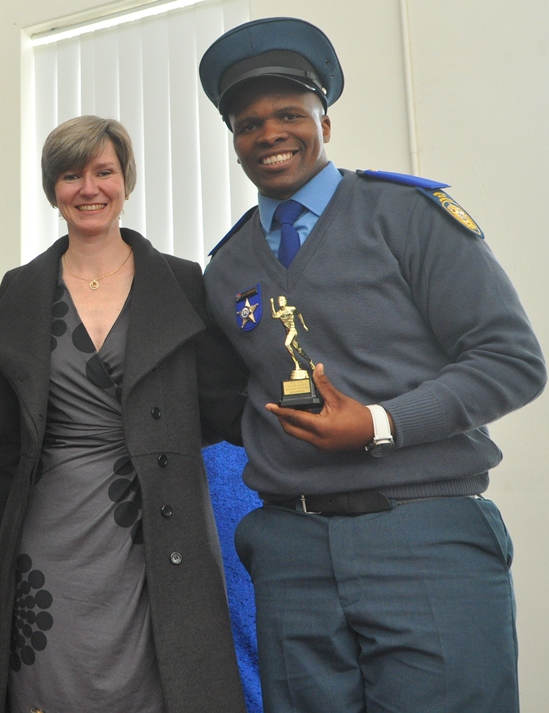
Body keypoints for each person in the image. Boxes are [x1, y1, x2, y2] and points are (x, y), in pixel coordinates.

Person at [198, 17, 546, 712]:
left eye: (289, 114)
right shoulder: (226, 264)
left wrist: (379, 423)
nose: (268, 133)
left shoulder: (408, 214)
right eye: (248, 123)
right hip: (290, 550)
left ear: (326, 121)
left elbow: (512, 360)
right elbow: (234, 399)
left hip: (422, 533)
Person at [0, 115, 249, 713]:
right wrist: (5, 531)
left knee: (162, 676)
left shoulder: (181, 280)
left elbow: (223, 405)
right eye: (71, 175)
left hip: (157, 513)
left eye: (104, 171)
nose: (89, 188)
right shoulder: (21, 287)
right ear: (54, 190)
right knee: (49, 676)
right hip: (48, 525)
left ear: (126, 179)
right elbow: (11, 437)